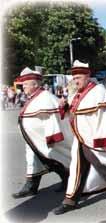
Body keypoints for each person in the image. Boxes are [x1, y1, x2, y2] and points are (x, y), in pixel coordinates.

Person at [53, 60, 106, 215]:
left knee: (102, 166)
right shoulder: (77, 94)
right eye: (74, 78)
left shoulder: (98, 91)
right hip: (79, 138)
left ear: (87, 76)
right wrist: (63, 106)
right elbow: (73, 112)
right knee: (77, 168)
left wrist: (103, 139)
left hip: (93, 138)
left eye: (78, 77)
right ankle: (70, 200)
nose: (76, 81)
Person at [13, 67, 72, 199]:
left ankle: (69, 179)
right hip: (33, 140)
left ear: (34, 84)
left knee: (55, 159)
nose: (23, 87)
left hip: (44, 141)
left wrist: (53, 138)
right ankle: (31, 187)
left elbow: (52, 119)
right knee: (33, 161)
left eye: (25, 85)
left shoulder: (45, 98)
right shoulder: (33, 97)